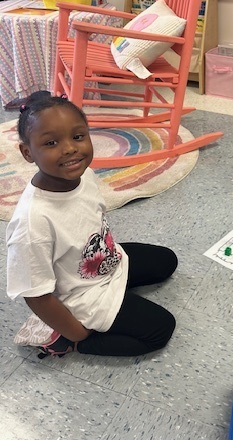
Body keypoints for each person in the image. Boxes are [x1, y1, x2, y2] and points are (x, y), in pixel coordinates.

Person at [6, 92, 177, 357]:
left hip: (105, 263)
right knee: (161, 329)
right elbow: (36, 295)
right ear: (28, 152)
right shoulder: (32, 223)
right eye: (51, 142)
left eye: (77, 136)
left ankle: (116, 296)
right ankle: (71, 344)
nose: (69, 149)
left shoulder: (84, 175)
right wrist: (76, 332)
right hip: (80, 295)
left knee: (167, 261)